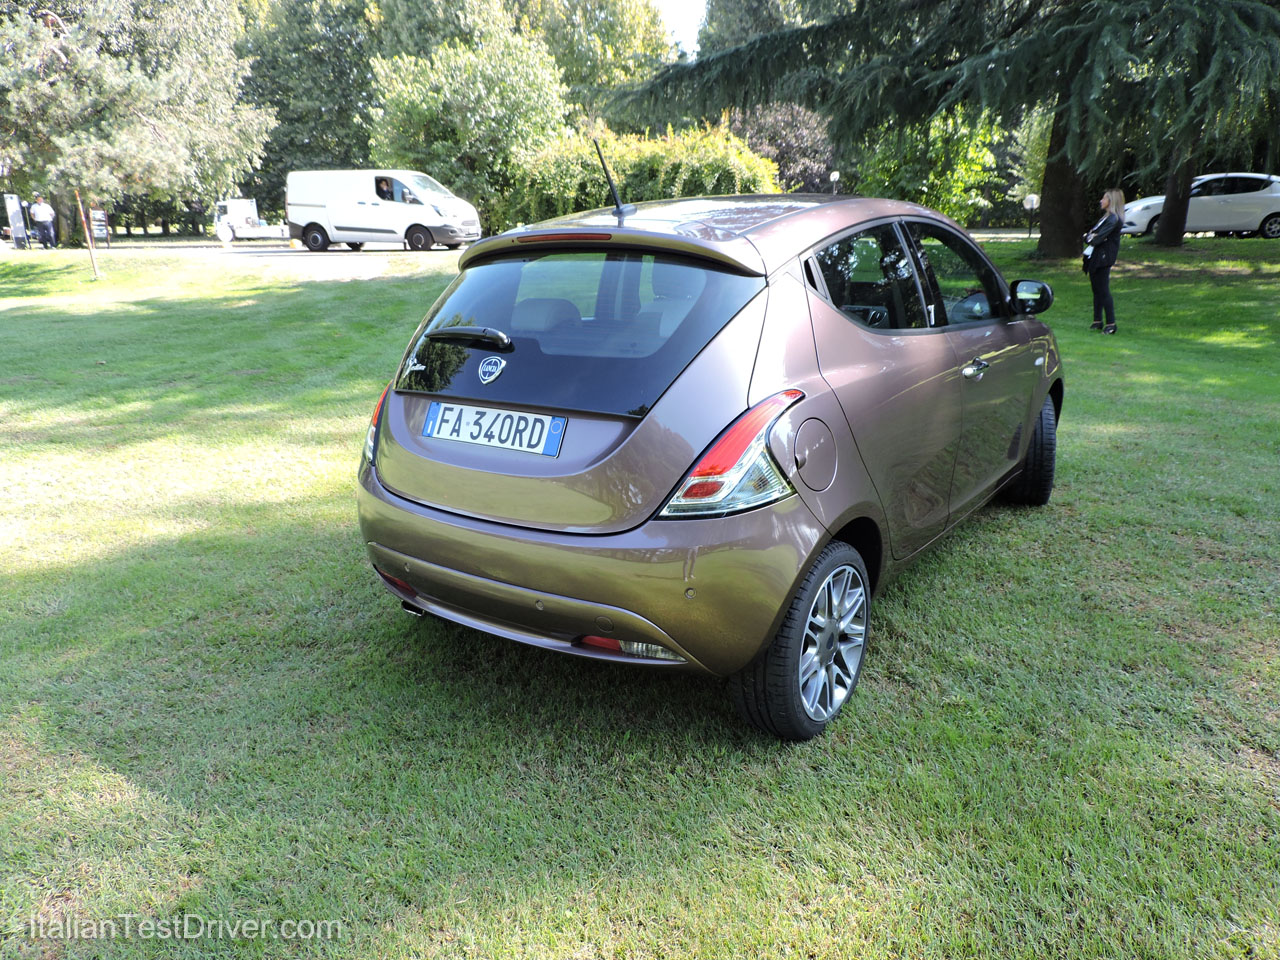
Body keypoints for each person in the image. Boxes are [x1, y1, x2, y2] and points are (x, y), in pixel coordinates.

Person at [1083, 187, 1124, 334]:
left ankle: (1111, 324)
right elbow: (1090, 236)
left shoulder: (1113, 219)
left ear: (1111, 201)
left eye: (1104, 198)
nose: (1101, 200)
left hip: (1103, 257)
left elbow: (1097, 238)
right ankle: (1097, 320)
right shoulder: (1105, 218)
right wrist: (1092, 237)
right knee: (1096, 290)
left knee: (1103, 290)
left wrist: (1093, 237)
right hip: (1097, 256)